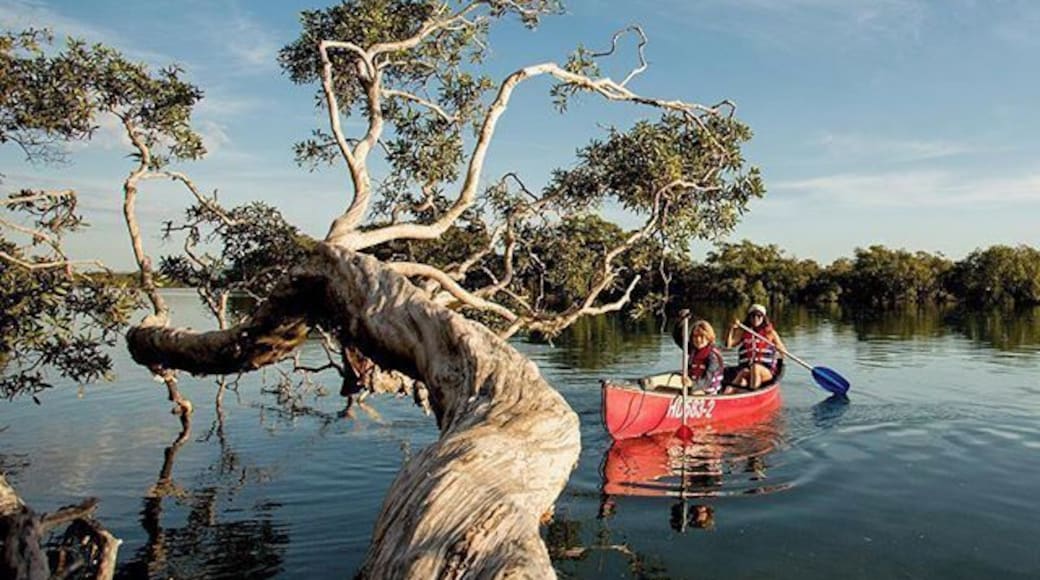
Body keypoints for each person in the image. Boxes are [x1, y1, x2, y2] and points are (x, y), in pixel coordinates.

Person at [725, 304, 785, 392]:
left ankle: (753, 393)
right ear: (749, 317)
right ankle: (726, 394)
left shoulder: (770, 333)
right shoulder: (744, 332)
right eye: (753, 315)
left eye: (759, 316)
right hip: (748, 370)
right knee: (743, 374)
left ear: (763, 318)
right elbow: (729, 345)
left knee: (755, 367)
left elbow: (783, 352)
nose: (755, 318)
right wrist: (731, 329)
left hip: (766, 372)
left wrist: (778, 348)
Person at [685, 320, 725, 395]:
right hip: (695, 388)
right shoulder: (694, 350)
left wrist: (693, 384)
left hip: (709, 393)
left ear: (708, 337)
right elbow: (679, 338)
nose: (698, 339)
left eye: (701, 336)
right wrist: (681, 322)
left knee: (694, 393)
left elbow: (707, 379)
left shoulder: (713, 357)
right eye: (695, 336)